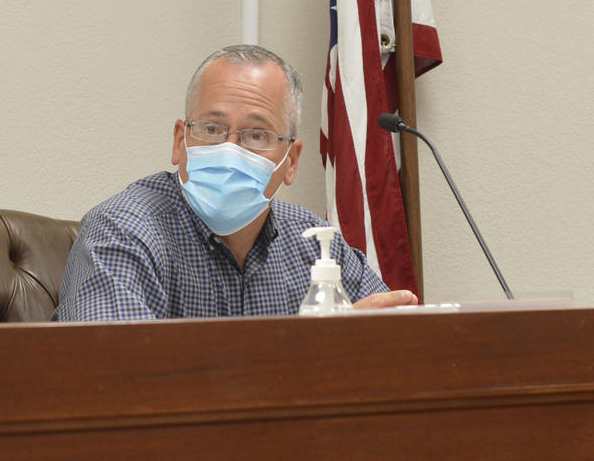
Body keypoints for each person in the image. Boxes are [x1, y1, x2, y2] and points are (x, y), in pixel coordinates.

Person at [52, 45, 417, 321]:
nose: (229, 150)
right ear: (180, 141)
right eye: (211, 129)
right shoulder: (123, 230)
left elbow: (400, 353)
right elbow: (119, 377)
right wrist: (311, 357)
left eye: (256, 135)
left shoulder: (318, 246)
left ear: (291, 161)